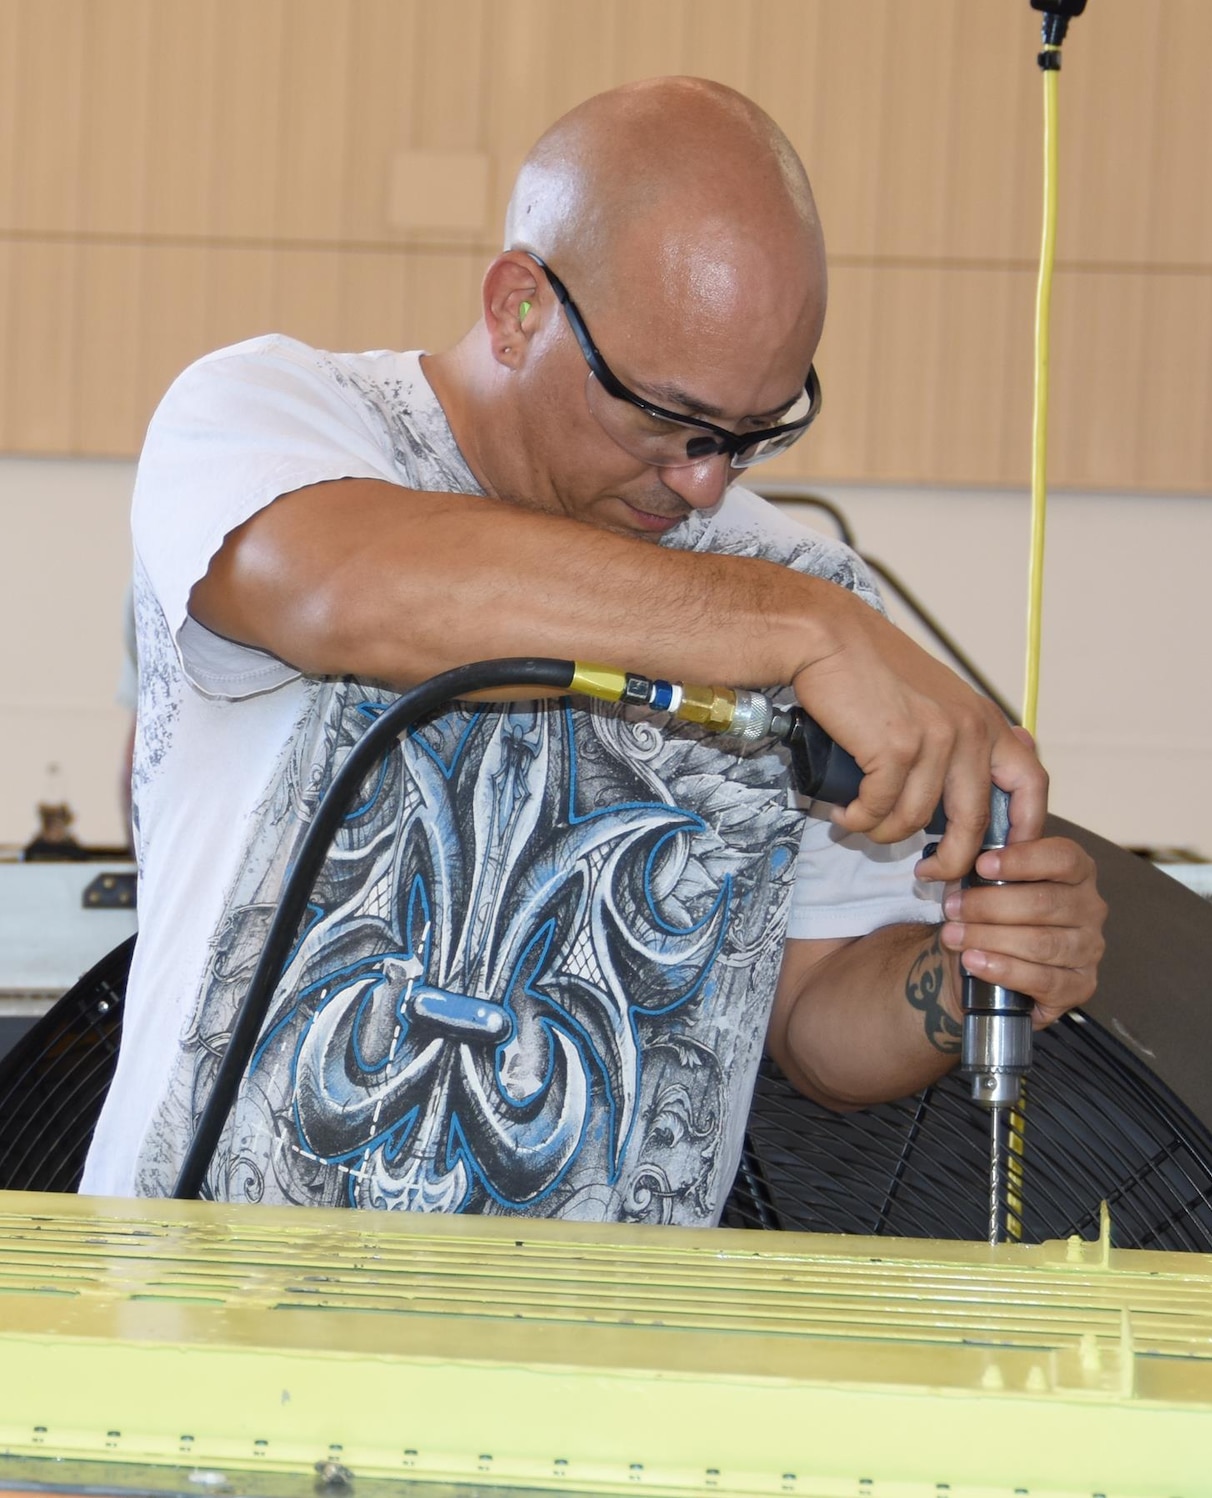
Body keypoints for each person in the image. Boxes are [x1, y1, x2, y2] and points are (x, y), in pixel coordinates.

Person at [81, 78, 1106, 1222]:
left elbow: (812, 1016)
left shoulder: (802, 592)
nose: (706, 479)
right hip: (208, 1335)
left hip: (602, 1367)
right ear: (518, 307)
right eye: (667, 418)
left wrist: (964, 973)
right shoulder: (273, 419)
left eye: (756, 431)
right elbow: (342, 588)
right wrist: (795, 631)